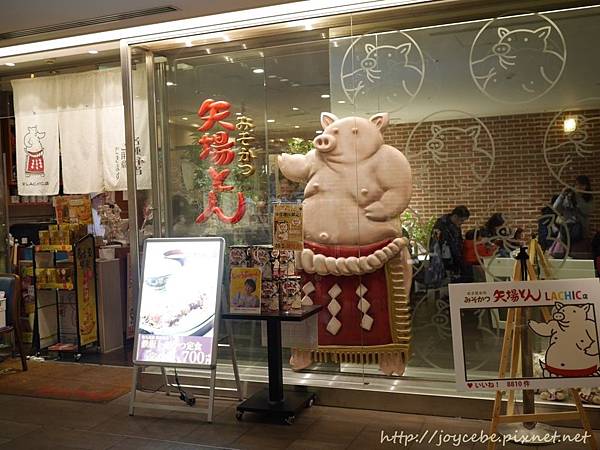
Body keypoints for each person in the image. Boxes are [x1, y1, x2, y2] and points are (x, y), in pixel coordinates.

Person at [429, 205, 470, 282]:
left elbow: (458, 241)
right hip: (443, 258)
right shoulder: (441, 225)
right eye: (461, 220)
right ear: (455, 216)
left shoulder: (455, 226)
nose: (462, 223)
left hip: (455, 257)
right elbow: (435, 243)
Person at [553, 175, 593, 243]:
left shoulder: (588, 198)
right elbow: (555, 208)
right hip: (566, 231)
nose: (579, 187)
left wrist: (578, 197)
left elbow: (586, 211)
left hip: (581, 232)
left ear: (587, 186)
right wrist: (562, 195)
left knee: (578, 252)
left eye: (582, 185)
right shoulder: (568, 196)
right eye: (577, 184)